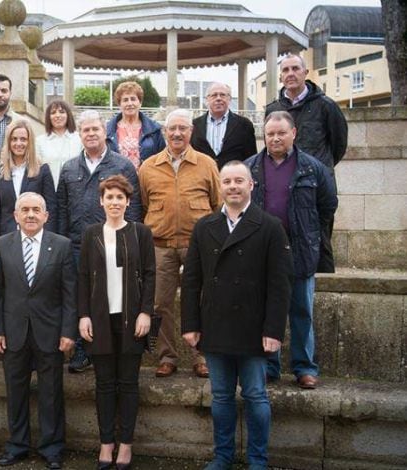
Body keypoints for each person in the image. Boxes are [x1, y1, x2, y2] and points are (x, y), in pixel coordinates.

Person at [181, 161, 293, 470]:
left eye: (239, 181)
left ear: (251, 185)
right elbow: (191, 280)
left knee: (256, 396)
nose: (233, 186)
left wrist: (273, 330)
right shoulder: (205, 227)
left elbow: (280, 285)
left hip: (254, 328)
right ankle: (223, 457)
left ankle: (258, 460)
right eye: (227, 181)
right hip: (215, 325)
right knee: (220, 397)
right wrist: (190, 324)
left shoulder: (270, 226)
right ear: (220, 185)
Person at [244, 111, 338, 389]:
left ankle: (305, 367)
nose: (275, 138)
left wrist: (309, 233)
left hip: (300, 250)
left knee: (301, 311)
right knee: (264, 311)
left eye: (281, 133)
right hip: (262, 253)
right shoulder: (251, 167)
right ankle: (269, 365)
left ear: (293, 133)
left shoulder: (312, 167)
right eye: (270, 133)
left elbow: (328, 205)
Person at [0, 192, 77, 470]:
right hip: (13, 332)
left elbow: (69, 295)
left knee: (51, 393)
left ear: (46, 216)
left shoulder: (61, 246)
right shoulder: (2, 245)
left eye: (36, 210)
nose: (30, 214)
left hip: (50, 332)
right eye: (24, 209)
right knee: (15, 392)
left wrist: (68, 332)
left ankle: (52, 448)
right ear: (15, 215)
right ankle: (17, 445)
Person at [78, 175, 155, 470]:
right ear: (101, 201)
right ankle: (106, 442)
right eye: (109, 197)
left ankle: (126, 445)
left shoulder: (140, 233)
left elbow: (150, 275)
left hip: (130, 319)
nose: (114, 202)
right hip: (99, 318)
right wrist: (83, 314)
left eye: (119, 197)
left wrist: (145, 312)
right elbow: (83, 276)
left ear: (128, 201)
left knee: (129, 384)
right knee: (104, 384)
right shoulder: (91, 234)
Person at [57, 109, 143, 374]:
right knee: (81, 295)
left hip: (114, 243)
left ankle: (112, 348)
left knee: (112, 296)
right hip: (76, 244)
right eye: (86, 130)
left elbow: (134, 207)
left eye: (95, 129)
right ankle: (83, 351)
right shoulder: (70, 167)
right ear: (79, 134)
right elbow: (61, 208)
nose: (91, 134)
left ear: (105, 132)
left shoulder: (122, 165)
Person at [138, 108, 221, 379]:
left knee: (202, 301)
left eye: (182, 128)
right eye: (171, 128)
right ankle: (167, 357)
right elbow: (144, 205)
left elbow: (217, 204)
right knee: (159, 303)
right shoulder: (148, 167)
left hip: (197, 246)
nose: (176, 133)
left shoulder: (207, 164)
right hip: (160, 246)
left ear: (191, 132)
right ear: (164, 132)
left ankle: (203, 356)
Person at [266, 53, 347, 274]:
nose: (290, 74)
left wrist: (317, 170)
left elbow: (338, 145)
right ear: (281, 76)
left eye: (295, 69)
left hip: (314, 189)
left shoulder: (326, 106)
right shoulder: (272, 109)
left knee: (319, 245)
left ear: (305, 73)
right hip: (281, 188)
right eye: (285, 70)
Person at [0, 119, 57, 247]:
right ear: (8, 142)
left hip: (37, 238)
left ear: (29, 142)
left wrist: (49, 243)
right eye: (14, 139)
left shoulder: (42, 170)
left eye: (23, 139)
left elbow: (51, 209)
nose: (18, 143)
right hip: (7, 239)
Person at [190, 82, 257, 169]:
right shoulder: (194, 125)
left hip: (233, 178)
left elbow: (252, 158)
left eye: (222, 95)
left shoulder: (244, 125)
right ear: (207, 99)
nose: (218, 98)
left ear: (229, 99)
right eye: (214, 95)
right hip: (203, 178)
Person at [106, 81, 166, 170]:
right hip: (118, 181)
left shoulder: (154, 129)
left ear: (140, 102)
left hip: (146, 179)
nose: (130, 103)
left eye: (133, 99)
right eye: (125, 100)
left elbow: (163, 158)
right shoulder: (108, 130)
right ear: (119, 104)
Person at [35, 100, 82, 189]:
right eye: (53, 113)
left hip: (74, 190)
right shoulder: (39, 141)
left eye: (62, 112)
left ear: (68, 115)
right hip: (48, 191)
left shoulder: (79, 139)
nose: (57, 115)